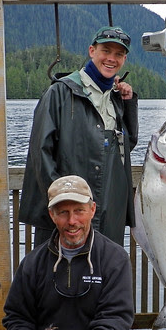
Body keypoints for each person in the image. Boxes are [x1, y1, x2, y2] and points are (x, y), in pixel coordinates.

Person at [3, 175, 141, 330]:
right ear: (52, 215)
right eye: (63, 213)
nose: (72, 221)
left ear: (92, 210)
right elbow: (17, 319)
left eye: (79, 211)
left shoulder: (115, 257)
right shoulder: (32, 263)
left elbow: (116, 318)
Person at [19, 26, 138, 247]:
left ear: (124, 59)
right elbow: (40, 153)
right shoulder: (59, 93)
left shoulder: (115, 98)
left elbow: (125, 148)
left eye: (119, 54)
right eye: (106, 51)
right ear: (92, 51)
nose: (111, 59)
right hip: (66, 220)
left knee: (105, 269)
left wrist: (129, 104)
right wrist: (63, 205)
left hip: (107, 218)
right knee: (57, 269)